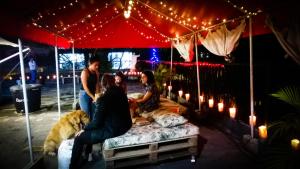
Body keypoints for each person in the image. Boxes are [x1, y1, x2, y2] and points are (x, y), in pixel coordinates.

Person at [69, 74, 132, 169]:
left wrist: (84, 129)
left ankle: (72, 166)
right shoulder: (121, 92)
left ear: (102, 85)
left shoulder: (104, 99)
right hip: (126, 125)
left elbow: (97, 123)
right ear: (113, 82)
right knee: (91, 128)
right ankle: (87, 154)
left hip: (113, 130)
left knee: (79, 138)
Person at [79, 56, 100, 160]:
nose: (97, 67)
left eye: (98, 65)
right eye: (95, 64)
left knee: (93, 118)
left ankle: (89, 148)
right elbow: (85, 87)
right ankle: (82, 141)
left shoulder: (96, 72)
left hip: (93, 96)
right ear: (90, 63)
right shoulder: (85, 72)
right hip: (84, 95)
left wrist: (97, 95)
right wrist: (93, 97)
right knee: (86, 117)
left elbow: (97, 85)